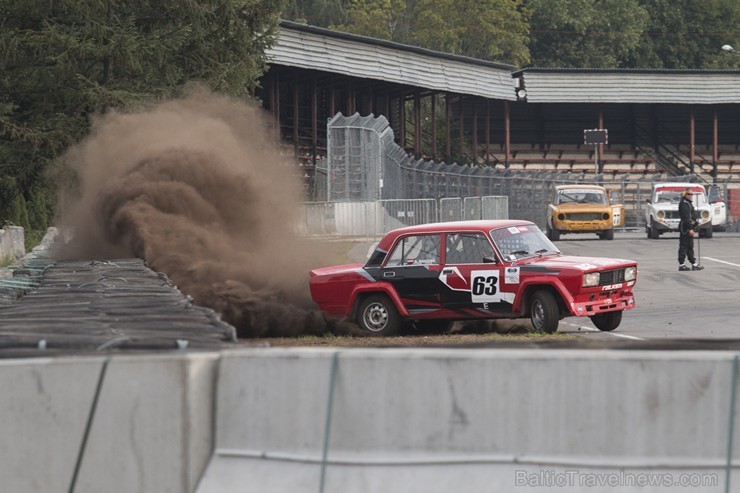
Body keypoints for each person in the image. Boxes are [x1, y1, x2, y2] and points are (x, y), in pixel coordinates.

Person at [678, 189, 704, 271]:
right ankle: (681, 264)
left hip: (690, 227)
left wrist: (696, 223)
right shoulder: (684, 204)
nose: (691, 195)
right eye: (689, 194)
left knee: (690, 246)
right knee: (684, 246)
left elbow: (692, 216)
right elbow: (686, 218)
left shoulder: (689, 203)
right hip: (685, 228)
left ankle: (693, 263)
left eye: (692, 194)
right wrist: (690, 229)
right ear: (685, 195)